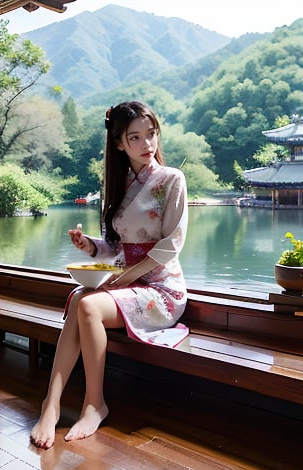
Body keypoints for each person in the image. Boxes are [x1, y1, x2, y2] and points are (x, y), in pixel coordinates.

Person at [30, 101, 189, 449]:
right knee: (78, 298)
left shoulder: (171, 179)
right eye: (135, 137)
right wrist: (89, 245)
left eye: (152, 134)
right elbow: (114, 248)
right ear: (118, 143)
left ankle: (94, 403)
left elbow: (173, 242)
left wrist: (132, 273)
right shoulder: (116, 184)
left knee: (85, 305)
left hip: (161, 288)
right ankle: (52, 402)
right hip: (126, 282)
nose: (147, 144)